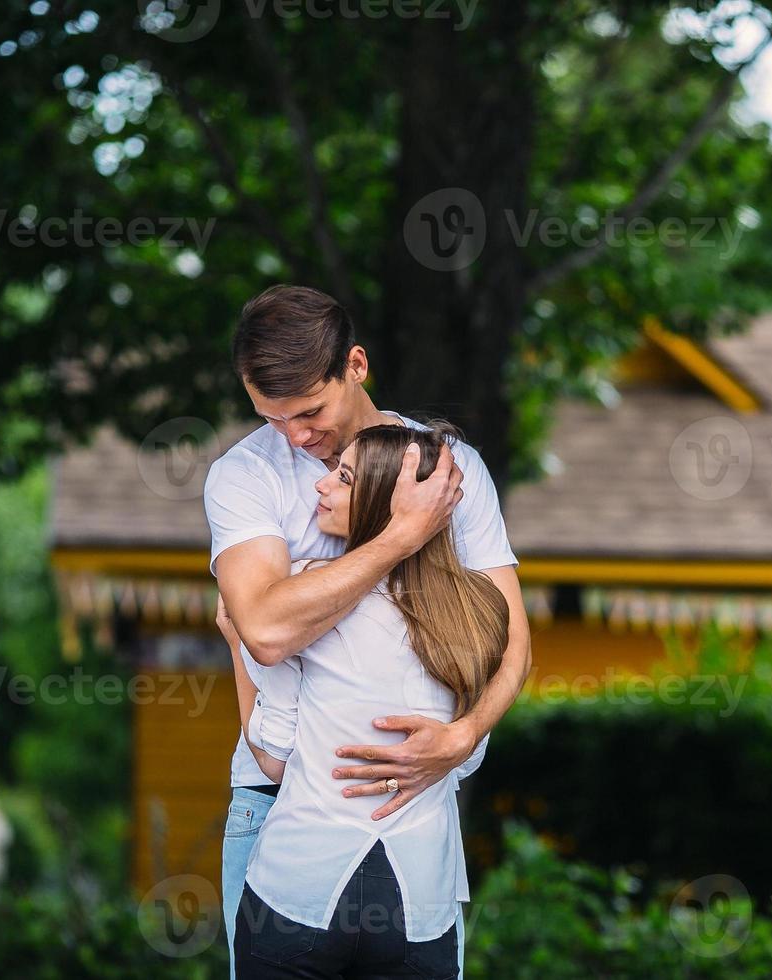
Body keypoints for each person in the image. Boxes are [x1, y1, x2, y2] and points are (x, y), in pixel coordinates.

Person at [205, 285, 531, 976]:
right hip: (277, 808)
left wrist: (464, 737)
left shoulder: (453, 471)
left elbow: (511, 644)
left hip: (418, 809)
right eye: (271, 418)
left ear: (356, 364)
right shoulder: (244, 475)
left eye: (309, 412)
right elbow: (264, 632)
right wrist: (402, 534)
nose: (294, 437)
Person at [223, 423, 504, 979]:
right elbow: (465, 757)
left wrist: (237, 643)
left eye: (344, 477)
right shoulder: (478, 611)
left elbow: (274, 756)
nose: (321, 487)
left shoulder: (303, 596)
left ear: (383, 501)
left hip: (298, 892)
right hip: (421, 907)